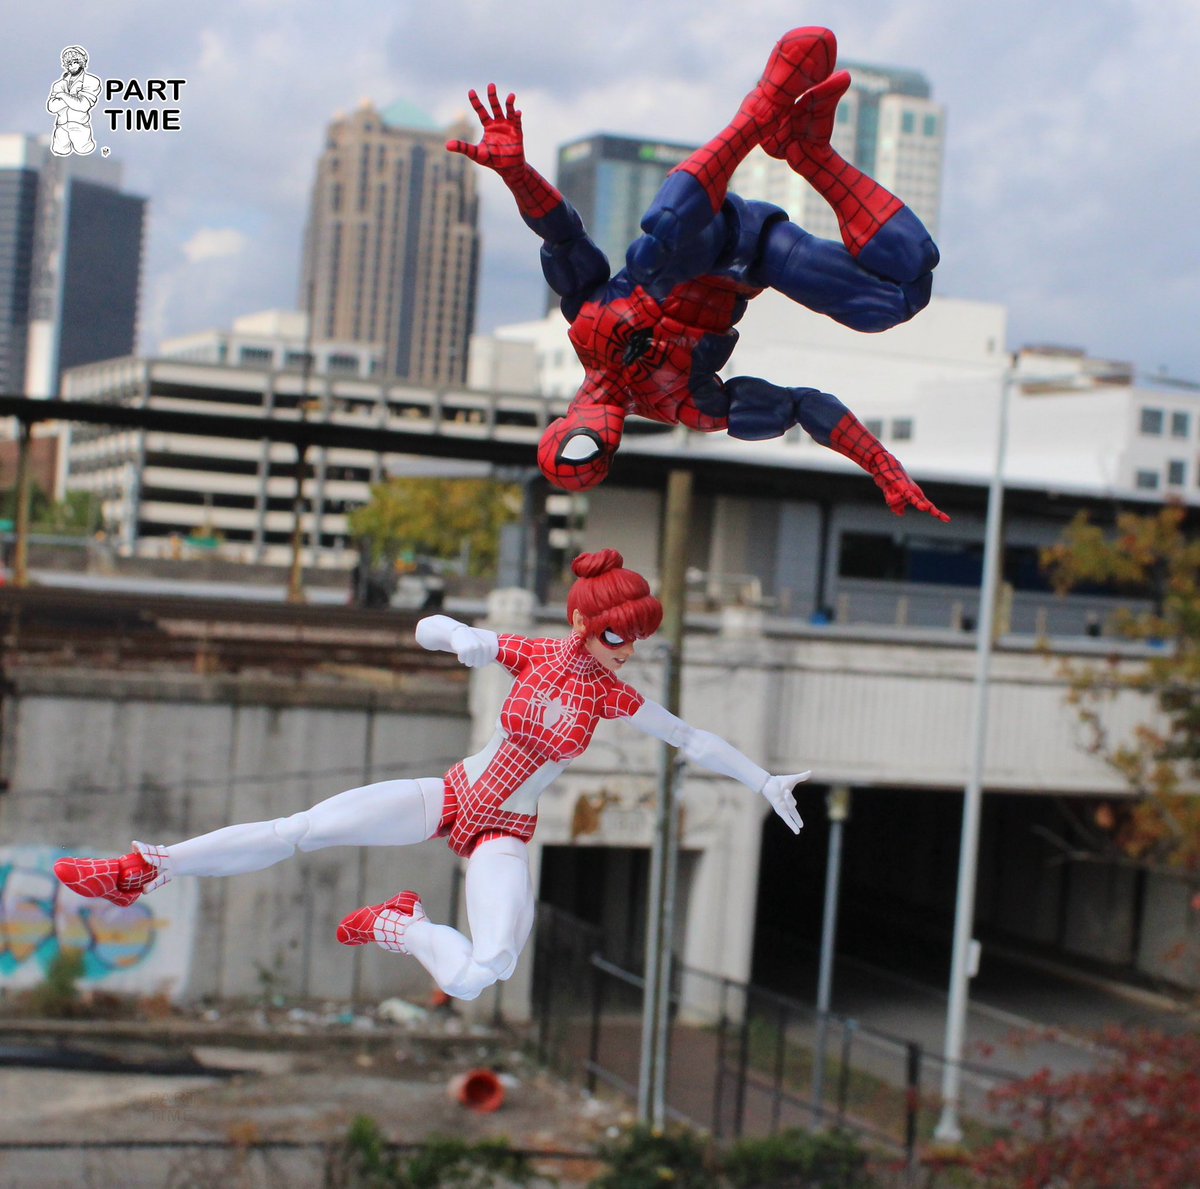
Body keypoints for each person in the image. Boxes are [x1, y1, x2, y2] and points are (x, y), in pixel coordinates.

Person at [55, 549, 809, 1002]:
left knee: (488, 968)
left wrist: (762, 778)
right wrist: (464, 638)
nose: (628, 648)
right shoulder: (535, 652)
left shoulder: (612, 692)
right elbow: (424, 627)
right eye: (620, 634)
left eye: (636, 637)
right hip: (448, 794)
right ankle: (149, 867)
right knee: (304, 829)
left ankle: (399, 923)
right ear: (583, 623)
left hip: (504, 832)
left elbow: (690, 738)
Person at [448, 27, 948, 522]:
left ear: (563, 425)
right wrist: (882, 465)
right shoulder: (691, 406)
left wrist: (516, 172)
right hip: (753, 257)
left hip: (699, 231)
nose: (598, 440)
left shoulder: (587, 321)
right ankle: (806, 150)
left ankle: (759, 111)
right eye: (596, 458)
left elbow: (562, 234)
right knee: (899, 294)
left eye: (578, 446)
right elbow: (802, 406)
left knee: (658, 245)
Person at [47, 45, 101, 157]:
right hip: (61, 126)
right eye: (69, 63)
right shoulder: (59, 84)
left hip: (79, 125)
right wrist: (73, 97)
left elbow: (83, 105)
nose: (72, 66)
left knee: (84, 153)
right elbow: (52, 107)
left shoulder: (91, 81)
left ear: (82, 62)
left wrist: (62, 95)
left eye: (75, 62)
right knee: (59, 154)